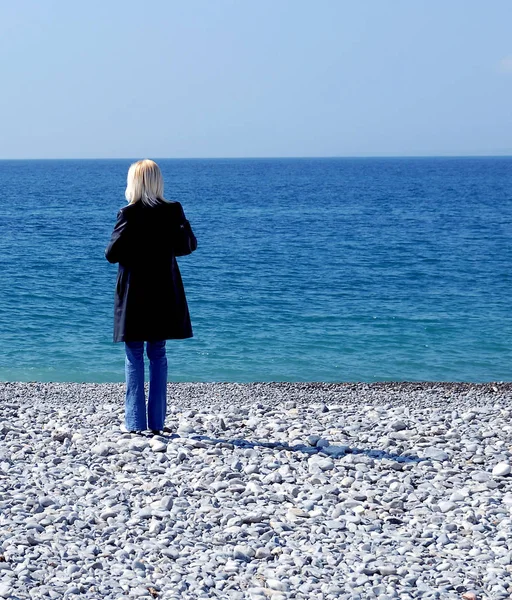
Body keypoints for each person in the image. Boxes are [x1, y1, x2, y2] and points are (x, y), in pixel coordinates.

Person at [105, 159, 197, 435]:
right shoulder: (173, 210)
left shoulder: (128, 213)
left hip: (134, 293)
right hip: (164, 292)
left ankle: (135, 424)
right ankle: (156, 423)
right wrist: (180, 222)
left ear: (134, 182)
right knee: (158, 353)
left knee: (134, 354)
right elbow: (187, 247)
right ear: (158, 181)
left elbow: (111, 254)